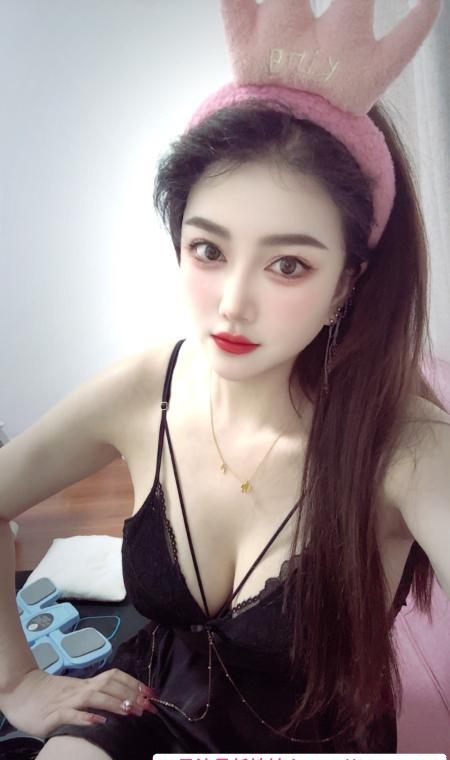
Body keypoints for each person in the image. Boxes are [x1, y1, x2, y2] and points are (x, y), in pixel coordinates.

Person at [0, 0, 448, 756]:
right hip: (147, 702)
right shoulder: (145, 389)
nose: (234, 303)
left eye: (287, 265)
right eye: (209, 250)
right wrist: (17, 682)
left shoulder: (405, 447)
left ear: (345, 284)